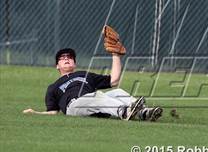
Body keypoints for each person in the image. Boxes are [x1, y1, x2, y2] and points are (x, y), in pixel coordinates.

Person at [23, 48, 163, 122]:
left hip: (94, 105)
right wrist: (35, 113)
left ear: (74, 63)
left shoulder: (85, 75)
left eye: (70, 57)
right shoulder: (53, 87)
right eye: (62, 58)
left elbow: (114, 80)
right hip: (75, 106)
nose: (66, 59)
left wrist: (116, 55)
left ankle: (144, 113)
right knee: (96, 96)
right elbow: (53, 112)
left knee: (117, 92)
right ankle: (124, 111)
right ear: (57, 66)